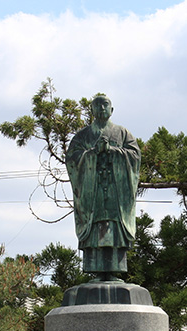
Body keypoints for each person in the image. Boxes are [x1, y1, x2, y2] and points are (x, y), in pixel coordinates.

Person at [65, 95, 141, 279]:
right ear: (91, 110)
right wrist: (92, 154)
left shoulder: (122, 133)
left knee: (114, 228)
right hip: (93, 193)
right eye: (96, 105)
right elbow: (72, 159)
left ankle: (115, 269)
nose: (101, 108)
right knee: (94, 227)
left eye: (105, 105)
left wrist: (113, 151)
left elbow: (135, 156)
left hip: (115, 192)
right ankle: (96, 269)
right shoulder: (82, 136)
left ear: (111, 110)